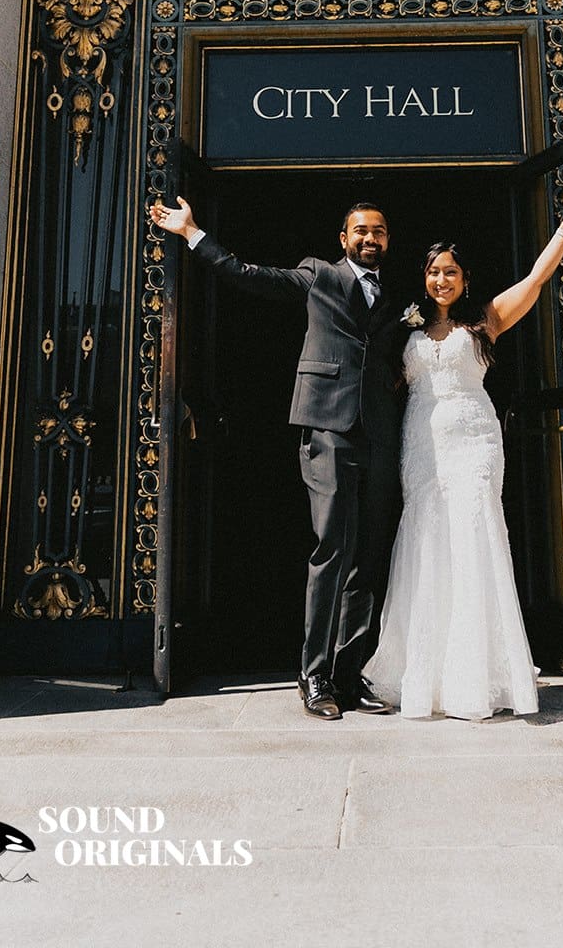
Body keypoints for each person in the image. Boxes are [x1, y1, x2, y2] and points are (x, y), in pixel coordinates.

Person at [150, 194, 405, 721]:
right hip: (328, 427)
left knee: (367, 557)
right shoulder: (320, 275)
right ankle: (313, 676)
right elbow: (248, 274)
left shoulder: (397, 296)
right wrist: (193, 233)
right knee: (332, 549)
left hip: (378, 434)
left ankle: (348, 672)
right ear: (344, 239)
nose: (370, 239)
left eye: (378, 232)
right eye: (361, 231)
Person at [364, 200, 563, 721]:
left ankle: (477, 676)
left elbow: (536, 279)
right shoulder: (408, 329)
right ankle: (425, 673)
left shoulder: (484, 323)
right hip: (422, 447)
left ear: (465, 278)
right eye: (432, 271)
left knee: (473, 538)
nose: (440, 279)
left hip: (474, 442)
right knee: (426, 541)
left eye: (449, 271)